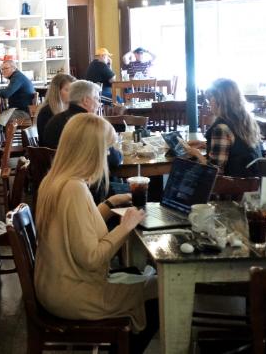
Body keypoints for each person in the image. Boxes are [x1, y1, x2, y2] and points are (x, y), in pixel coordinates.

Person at [34, 113, 158, 353]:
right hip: (72, 294)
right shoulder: (74, 189)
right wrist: (125, 227)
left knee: (146, 282)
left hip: (53, 287)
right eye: (104, 151)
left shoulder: (54, 180)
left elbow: (78, 229)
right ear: (91, 152)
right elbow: (91, 258)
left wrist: (110, 204)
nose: (106, 157)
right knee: (158, 292)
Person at [182, 78, 262, 177]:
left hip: (233, 187)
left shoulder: (221, 128)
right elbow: (237, 150)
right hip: (252, 182)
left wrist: (197, 154)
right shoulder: (246, 119)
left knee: (183, 176)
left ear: (218, 100)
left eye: (210, 98)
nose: (209, 103)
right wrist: (204, 144)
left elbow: (215, 171)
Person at [35, 73, 74, 146]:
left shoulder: (70, 108)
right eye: (67, 90)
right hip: (52, 154)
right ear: (57, 91)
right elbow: (49, 142)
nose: (71, 93)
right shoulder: (46, 111)